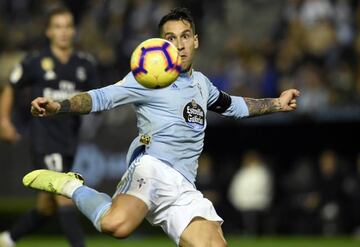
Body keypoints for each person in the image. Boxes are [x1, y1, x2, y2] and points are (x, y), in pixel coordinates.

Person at [23, 7, 299, 247]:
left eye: (185, 36)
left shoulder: (203, 85)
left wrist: (277, 102)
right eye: (170, 38)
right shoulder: (147, 76)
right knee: (116, 226)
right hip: (152, 168)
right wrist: (60, 105)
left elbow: (235, 106)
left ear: (196, 41)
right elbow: (101, 97)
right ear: (162, 43)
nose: (179, 44)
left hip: (184, 186)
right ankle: (72, 186)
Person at [0, 6, 100, 247]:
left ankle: (8, 238)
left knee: (46, 206)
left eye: (67, 26)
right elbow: (11, 87)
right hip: (44, 140)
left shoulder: (85, 64)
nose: (63, 32)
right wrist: (3, 120)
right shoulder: (35, 61)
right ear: (48, 31)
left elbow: (97, 97)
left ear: (74, 30)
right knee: (66, 194)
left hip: (69, 140)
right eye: (58, 27)